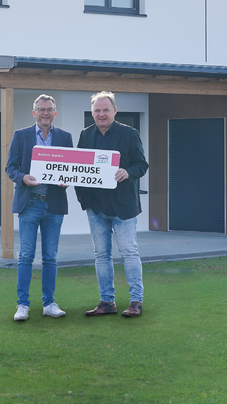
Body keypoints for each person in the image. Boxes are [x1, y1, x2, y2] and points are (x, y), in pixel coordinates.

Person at [75, 91, 149, 318]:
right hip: (96, 208)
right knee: (101, 255)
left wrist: (127, 172)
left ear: (114, 111)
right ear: (92, 113)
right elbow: (77, 167)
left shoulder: (129, 134)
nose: (101, 114)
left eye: (106, 110)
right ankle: (107, 302)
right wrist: (83, 200)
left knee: (129, 252)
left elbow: (141, 165)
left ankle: (136, 301)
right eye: (97, 110)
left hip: (123, 207)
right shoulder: (85, 135)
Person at [5, 94, 73, 322]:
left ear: (55, 113)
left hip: (54, 205)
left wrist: (68, 178)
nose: (46, 113)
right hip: (30, 203)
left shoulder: (65, 137)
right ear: (34, 113)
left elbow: (71, 168)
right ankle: (22, 305)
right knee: (25, 256)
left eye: (50, 109)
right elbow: (10, 168)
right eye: (42, 109)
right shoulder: (21, 136)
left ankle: (49, 304)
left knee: (50, 257)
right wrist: (23, 178)